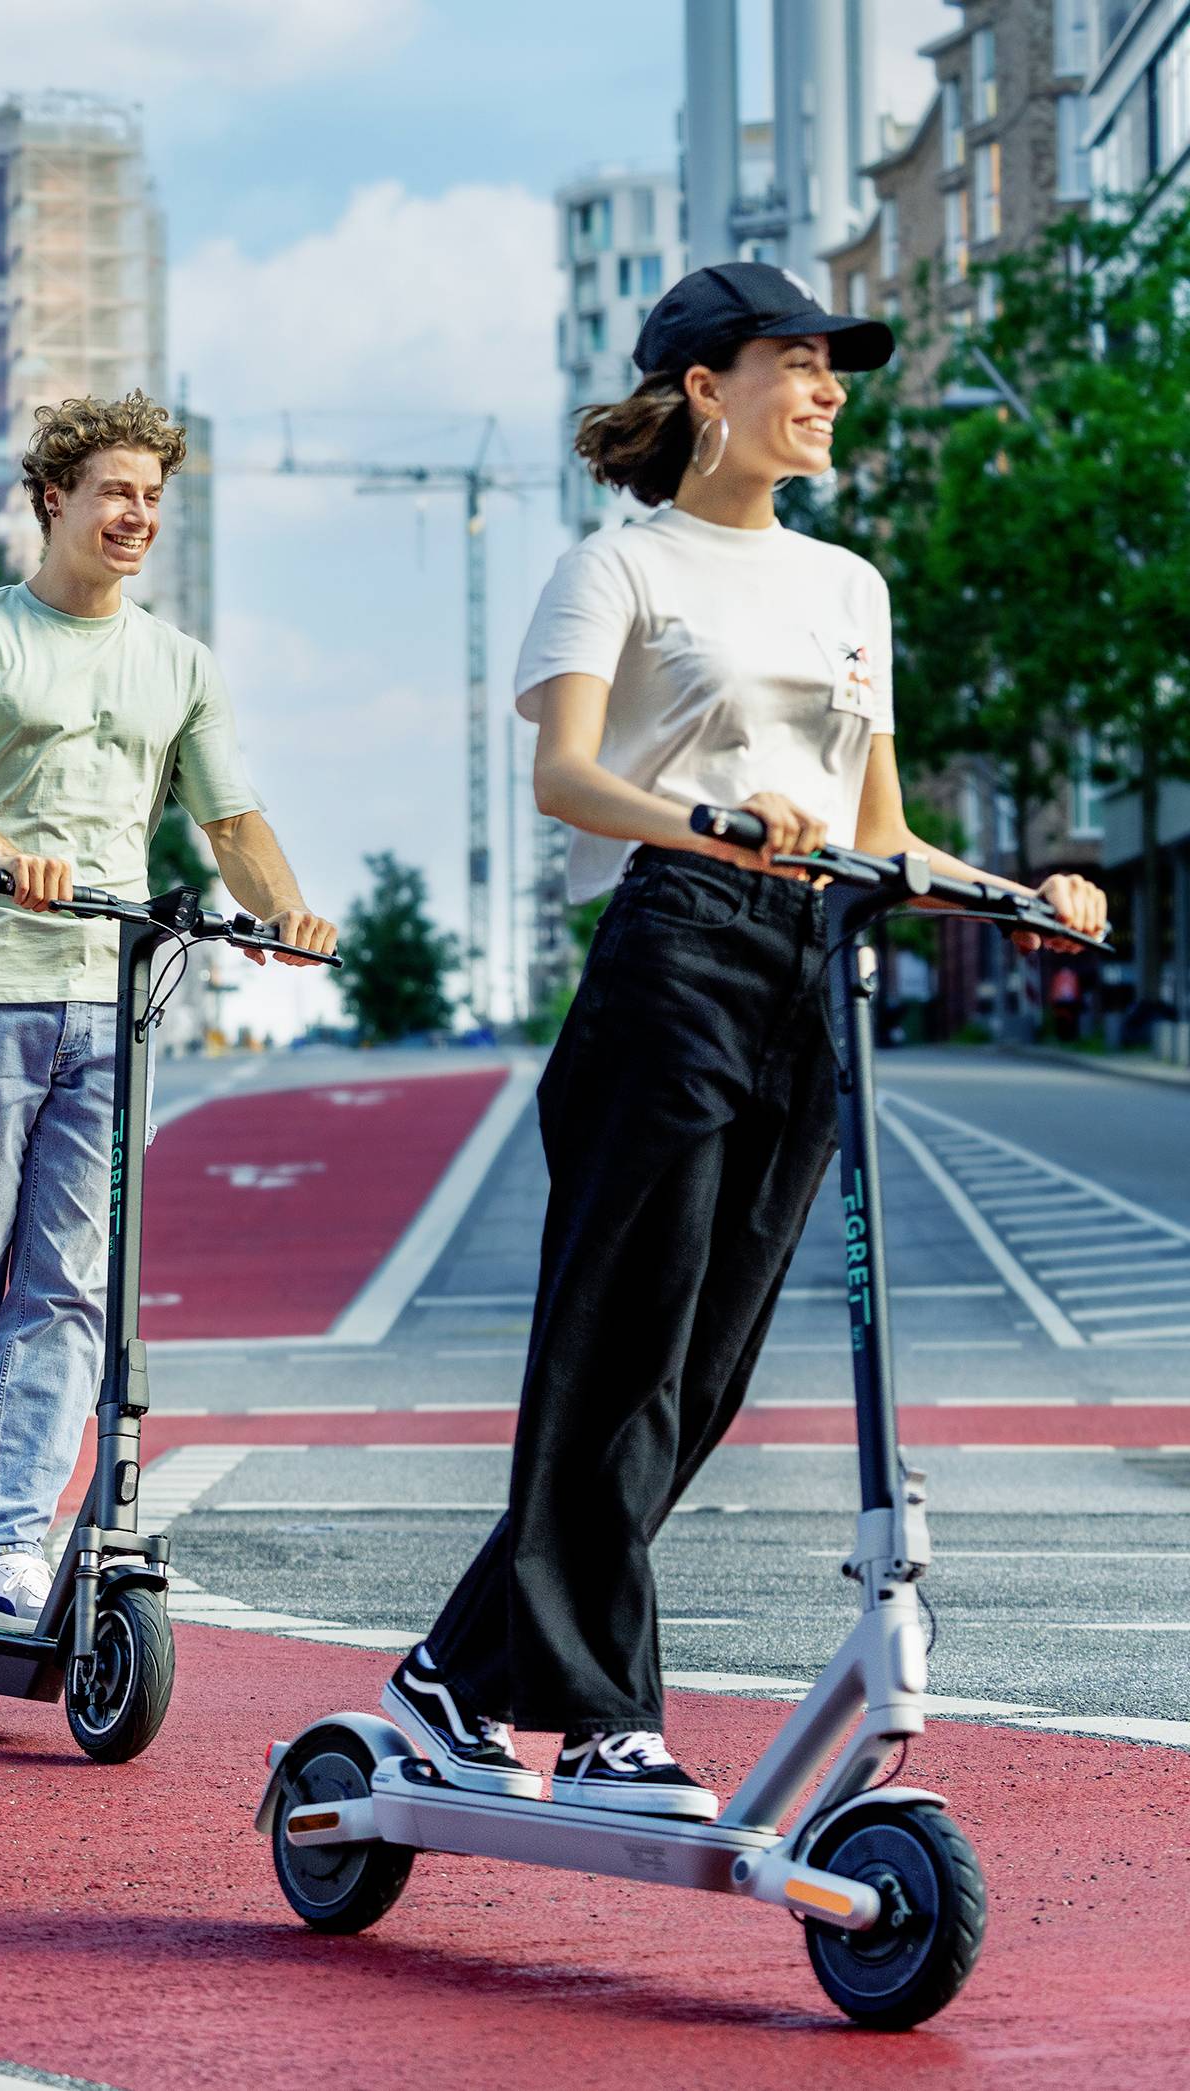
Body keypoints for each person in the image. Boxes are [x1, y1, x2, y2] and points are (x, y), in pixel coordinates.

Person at [380, 263, 1110, 1816]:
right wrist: (713, 818)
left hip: (815, 962)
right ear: (707, 385)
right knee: (619, 1349)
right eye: (801, 359)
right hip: (676, 947)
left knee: (697, 1379)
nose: (832, 386)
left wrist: (1019, 895)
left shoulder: (852, 585)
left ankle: (453, 1672)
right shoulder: (618, 568)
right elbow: (568, 780)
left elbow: (881, 824)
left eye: (839, 366)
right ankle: (595, 1719)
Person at [0, 392, 338, 1634]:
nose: (136, 516)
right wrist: (0, 855)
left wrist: (284, 912)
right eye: (115, 492)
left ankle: (12, 1544)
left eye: (152, 498)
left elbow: (229, 821)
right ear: (55, 500)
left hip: (110, 1002)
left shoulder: (176, 663)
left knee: (70, 1288)